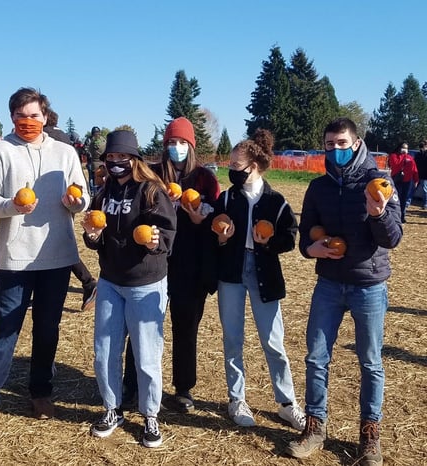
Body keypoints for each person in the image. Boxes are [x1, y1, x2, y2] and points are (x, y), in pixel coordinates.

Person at [0, 87, 90, 437]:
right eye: (21, 116)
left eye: (34, 115)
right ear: (12, 118)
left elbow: (83, 196)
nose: (28, 122)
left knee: (47, 328)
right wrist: (11, 207)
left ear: (46, 117)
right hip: (16, 258)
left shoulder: (65, 153)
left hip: (57, 256)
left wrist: (74, 202)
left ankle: (40, 392)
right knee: (5, 329)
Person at [286, 118, 402, 466]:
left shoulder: (379, 183)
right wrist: (312, 249)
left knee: (370, 362)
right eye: (329, 144)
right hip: (329, 283)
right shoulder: (318, 187)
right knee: (316, 357)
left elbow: (393, 238)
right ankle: (315, 426)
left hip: (369, 284)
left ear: (356, 143)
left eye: (341, 143)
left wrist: (378, 214)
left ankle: (369, 436)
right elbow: (305, 233)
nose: (334, 149)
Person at [83, 130, 176, 448]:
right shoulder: (103, 190)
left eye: (122, 157)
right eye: (110, 157)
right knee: (105, 351)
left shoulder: (151, 190)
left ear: (134, 159)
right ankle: (112, 409)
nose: (115, 162)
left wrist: (155, 240)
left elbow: (167, 232)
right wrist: (92, 235)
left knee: (147, 354)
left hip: (145, 283)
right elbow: (95, 235)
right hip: (110, 281)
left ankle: (150, 414)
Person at [208, 128, 305, 431]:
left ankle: (287, 404)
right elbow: (212, 237)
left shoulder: (277, 202)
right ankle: (237, 399)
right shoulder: (225, 199)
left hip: (264, 274)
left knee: (273, 341)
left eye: (237, 167)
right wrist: (222, 240)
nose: (231, 171)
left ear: (255, 167)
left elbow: (290, 237)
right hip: (231, 273)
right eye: (230, 166)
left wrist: (268, 244)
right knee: (233, 339)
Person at [123, 117, 220, 412]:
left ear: (191, 146)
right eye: (171, 143)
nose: (176, 148)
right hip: (154, 261)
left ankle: (183, 388)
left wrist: (200, 219)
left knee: (186, 326)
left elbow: (217, 218)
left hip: (190, 264)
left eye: (182, 143)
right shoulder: (151, 175)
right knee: (142, 326)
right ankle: (133, 385)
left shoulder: (205, 178)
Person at [44, 109, 98, 311]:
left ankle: (88, 282)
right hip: (71, 195)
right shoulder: (65, 136)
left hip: (56, 198)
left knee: (57, 245)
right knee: (57, 243)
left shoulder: (49, 137)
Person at [387, 142, 418, 223]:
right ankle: (394, 215)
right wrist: (404, 157)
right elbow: (396, 165)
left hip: (407, 181)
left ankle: (402, 216)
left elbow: (414, 169)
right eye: (403, 147)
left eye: (406, 148)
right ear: (399, 148)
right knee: (395, 199)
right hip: (397, 180)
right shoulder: (393, 156)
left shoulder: (410, 158)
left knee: (403, 199)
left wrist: (416, 180)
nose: (405, 149)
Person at [86, 126, 106, 194]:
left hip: (92, 162)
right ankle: (100, 191)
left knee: (91, 178)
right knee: (100, 177)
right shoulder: (103, 140)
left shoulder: (89, 141)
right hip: (101, 163)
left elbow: (86, 150)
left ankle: (92, 192)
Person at [414, 140, 427, 209]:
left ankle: (425, 204)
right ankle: (407, 202)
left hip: (424, 175)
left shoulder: (423, 154)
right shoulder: (419, 154)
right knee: (413, 188)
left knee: (425, 189)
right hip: (418, 174)